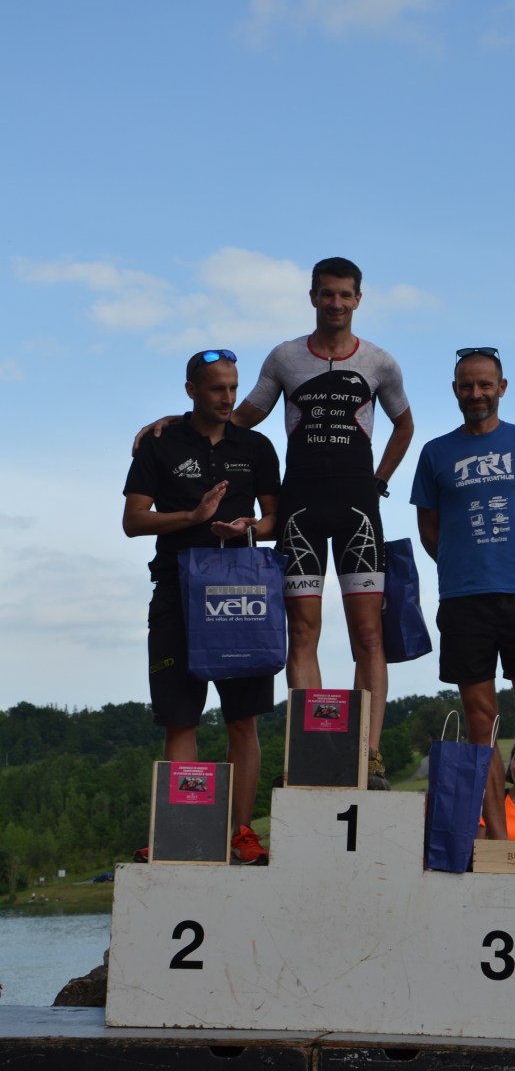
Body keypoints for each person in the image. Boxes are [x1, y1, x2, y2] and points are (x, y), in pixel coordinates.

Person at [135, 258, 414, 788]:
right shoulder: (285, 357)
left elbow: (405, 424)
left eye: (346, 295)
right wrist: (178, 422)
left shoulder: (380, 362)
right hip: (300, 508)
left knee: (369, 634)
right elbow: (240, 417)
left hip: (358, 509)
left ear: (359, 299)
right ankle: (315, 753)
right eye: (327, 294)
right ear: (313, 297)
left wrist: (378, 482)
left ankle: (369, 755)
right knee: (302, 632)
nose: (336, 303)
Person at [123, 349, 281, 864]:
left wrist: (248, 529)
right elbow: (133, 520)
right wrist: (192, 516)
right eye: (216, 388)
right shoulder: (160, 443)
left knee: (243, 720)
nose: (228, 398)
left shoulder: (256, 446)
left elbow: (273, 520)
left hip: (240, 595)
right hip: (177, 591)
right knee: (180, 720)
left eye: (233, 387)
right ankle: (182, 833)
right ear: (191, 390)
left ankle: (241, 833)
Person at [411, 347, 515, 840]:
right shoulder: (435, 453)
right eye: (466, 385)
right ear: (455, 390)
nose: (475, 393)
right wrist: (466, 569)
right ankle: (498, 841)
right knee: (482, 723)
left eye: (484, 384)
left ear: (502, 387)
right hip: (463, 602)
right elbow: (430, 532)